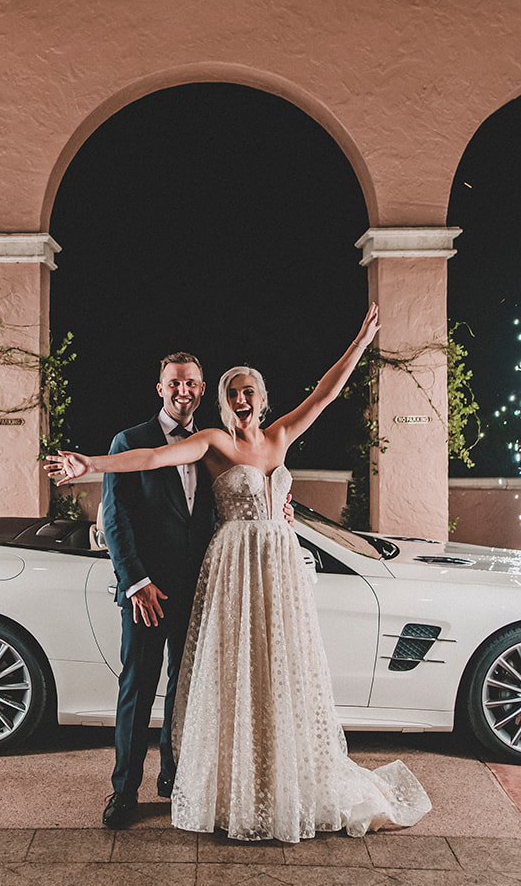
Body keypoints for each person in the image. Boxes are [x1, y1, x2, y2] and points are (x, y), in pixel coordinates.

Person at [48, 305, 431, 842]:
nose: (241, 399)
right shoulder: (213, 442)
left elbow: (325, 393)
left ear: (262, 398)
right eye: (233, 394)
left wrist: (360, 344)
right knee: (159, 682)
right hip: (215, 574)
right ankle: (129, 788)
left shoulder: (280, 436)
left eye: (248, 391)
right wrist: (90, 464)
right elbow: (150, 460)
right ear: (214, 400)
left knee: (247, 677)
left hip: (271, 573)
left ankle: (215, 777)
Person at [96, 352, 216, 830]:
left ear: (201, 389)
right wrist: (137, 583)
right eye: (174, 383)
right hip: (146, 592)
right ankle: (124, 790)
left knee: (185, 690)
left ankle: (174, 776)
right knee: (138, 688)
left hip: (199, 590)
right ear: (160, 388)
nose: (183, 391)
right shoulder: (130, 442)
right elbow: (115, 518)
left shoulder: (213, 445)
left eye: (191, 383)